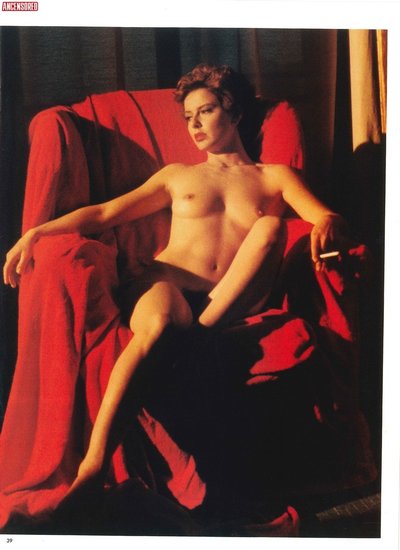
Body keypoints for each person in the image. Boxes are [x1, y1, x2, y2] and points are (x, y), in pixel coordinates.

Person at [3, 64, 349, 497]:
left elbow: (323, 215)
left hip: (234, 298)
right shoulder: (178, 175)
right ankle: (93, 465)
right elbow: (106, 213)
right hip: (168, 285)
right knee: (161, 321)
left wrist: (328, 223)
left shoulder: (275, 176)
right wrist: (37, 232)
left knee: (271, 227)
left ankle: (198, 337)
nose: (194, 125)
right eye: (188, 117)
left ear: (235, 113)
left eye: (205, 111)